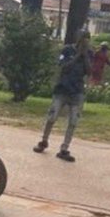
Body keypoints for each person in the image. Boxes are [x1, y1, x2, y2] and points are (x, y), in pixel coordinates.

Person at [33, 32, 93, 162]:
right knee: (52, 116)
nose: (85, 41)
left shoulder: (89, 54)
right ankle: (44, 140)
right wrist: (77, 56)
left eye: (87, 39)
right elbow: (64, 67)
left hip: (77, 92)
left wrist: (85, 56)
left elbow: (89, 72)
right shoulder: (67, 50)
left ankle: (64, 148)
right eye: (83, 38)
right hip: (62, 89)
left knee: (73, 121)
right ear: (78, 39)